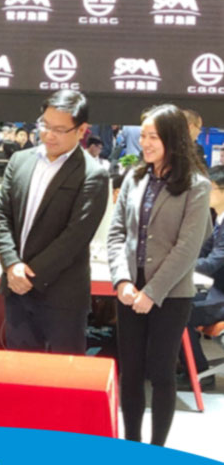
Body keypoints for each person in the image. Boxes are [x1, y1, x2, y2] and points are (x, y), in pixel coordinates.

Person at [107, 104, 211, 446]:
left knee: (162, 372)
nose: (145, 143)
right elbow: (116, 234)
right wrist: (122, 280)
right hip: (129, 290)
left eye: (153, 137)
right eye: (143, 136)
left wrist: (152, 292)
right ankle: (131, 445)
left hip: (171, 294)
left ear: (173, 138)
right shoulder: (134, 178)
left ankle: (157, 449)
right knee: (130, 372)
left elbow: (187, 247)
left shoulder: (196, 186)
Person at [0, 89, 108, 354]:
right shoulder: (20, 160)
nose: (49, 135)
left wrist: (29, 274)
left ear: (82, 130)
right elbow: (2, 215)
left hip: (62, 296)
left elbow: (75, 236)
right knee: (20, 370)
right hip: (17, 289)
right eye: (44, 125)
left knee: (64, 372)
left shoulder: (92, 174)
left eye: (59, 129)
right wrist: (11, 264)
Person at [180, 165, 224, 389]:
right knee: (176, 304)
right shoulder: (218, 220)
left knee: (179, 313)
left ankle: (200, 373)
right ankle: (187, 365)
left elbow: (215, 261)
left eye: (211, 189)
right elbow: (203, 252)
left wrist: (180, 265)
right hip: (215, 290)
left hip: (221, 296)